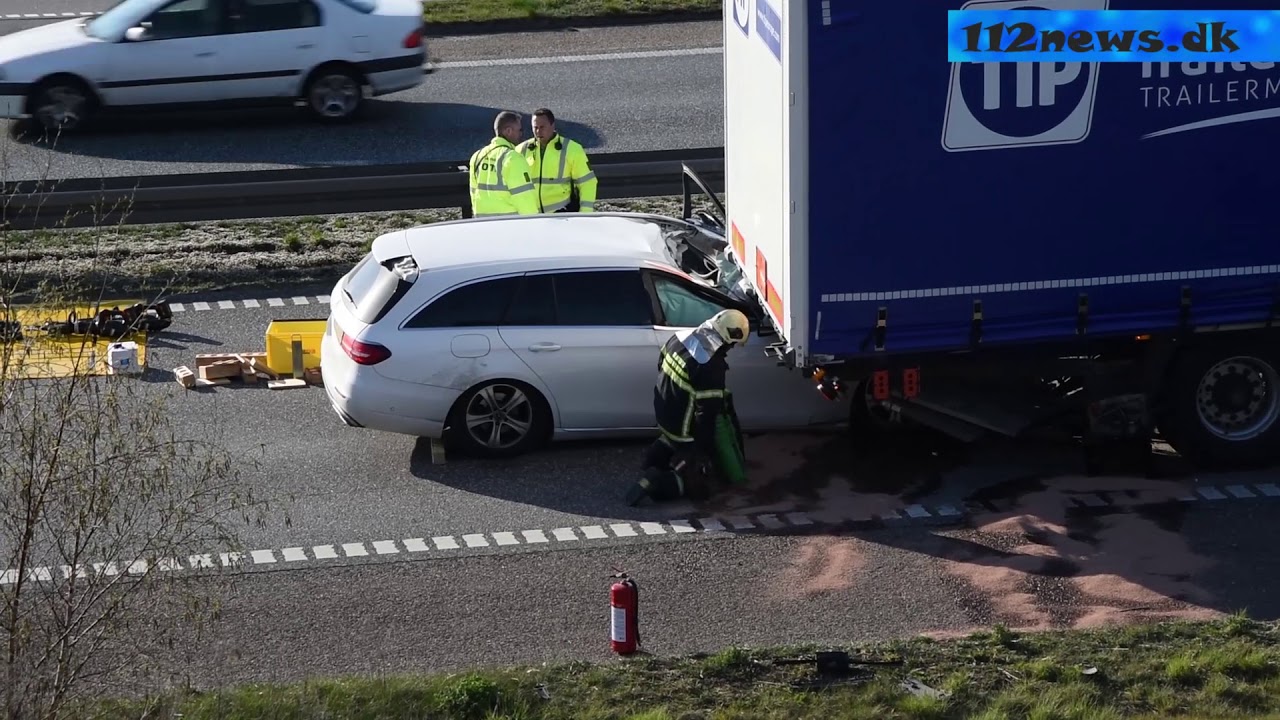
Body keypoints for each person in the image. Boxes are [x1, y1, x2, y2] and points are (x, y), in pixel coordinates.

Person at [626, 309, 752, 506]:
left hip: (663, 411)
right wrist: (703, 451)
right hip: (682, 428)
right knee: (701, 488)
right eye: (734, 344)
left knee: (672, 439)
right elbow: (706, 414)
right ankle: (662, 482)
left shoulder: (680, 338)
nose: (732, 349)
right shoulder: (710, 366)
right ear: (729, 338)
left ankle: (653, 462)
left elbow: (661, 364)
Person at [515, 107, 598, 214]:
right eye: (535, 127)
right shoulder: (521, 150)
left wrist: (585, 213)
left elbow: (587, 183)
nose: (538, 131)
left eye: (542, 127)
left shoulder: (572, 149)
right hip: (532, 216)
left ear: (552, 125)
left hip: (561, 215)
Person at [467, 111, 540, 217]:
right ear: (508, 131)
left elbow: (474, 195)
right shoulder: (513, 158)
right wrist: (534, 223)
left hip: (483, 225)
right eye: (519, 130)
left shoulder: (477, 156)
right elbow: (524, 197)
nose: (521, 134)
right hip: (509, 226)